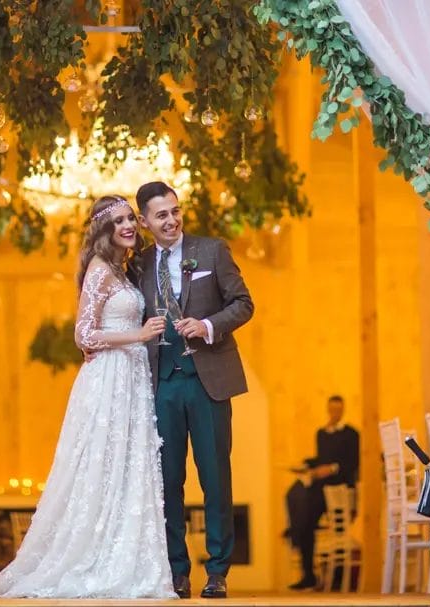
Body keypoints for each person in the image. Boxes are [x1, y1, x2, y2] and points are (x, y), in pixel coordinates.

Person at [0, 195, 174, 599]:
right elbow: (83, 335)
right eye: (118, 221)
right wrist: (137, 335)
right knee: (99, 466)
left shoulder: (123, 273)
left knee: (125, 468)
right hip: (108, 379)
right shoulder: (100, 271)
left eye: (129, 219)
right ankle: (90, 559)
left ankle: (124, 559)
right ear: (103, 229)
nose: (127, 226)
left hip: (132, 381)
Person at [136, 181, 254, 599]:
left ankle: (218, 571)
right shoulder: (140, 262)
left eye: (174, 211)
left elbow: (243, 303)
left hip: (209, 382)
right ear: (145, 222)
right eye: (161, 215)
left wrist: (206, 326)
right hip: (161, 385)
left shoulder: (212, 250)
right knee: (167, 481)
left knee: (215, 478)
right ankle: (177, 571)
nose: (171, 220)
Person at [286, 395, 360, 591]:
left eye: (338, 410)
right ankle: (308, 574)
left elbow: (353, 464)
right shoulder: (321, 433)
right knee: (302, 513)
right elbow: (321, 459)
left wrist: (332, 468)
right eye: (332, 409)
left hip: (340, 491)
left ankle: (337, 578)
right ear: (328, 410)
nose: (334, 413)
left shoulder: (351, 434)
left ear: (342, 410)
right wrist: (306, 465)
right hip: (321, 491)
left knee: (335, 530)